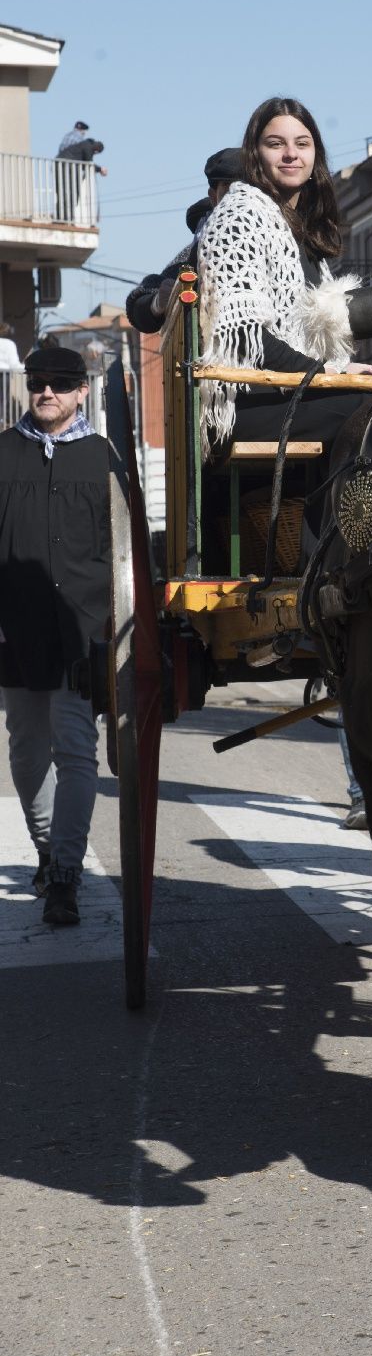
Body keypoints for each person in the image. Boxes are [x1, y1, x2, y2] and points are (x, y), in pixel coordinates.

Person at [0, 345, 110, 925]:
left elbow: (123, 554)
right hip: (12, 632)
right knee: (25, 752)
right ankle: (45, 847)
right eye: (39, 382)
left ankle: (65, 872)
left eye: (61, 384)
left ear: (82, 391)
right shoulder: (2, 452)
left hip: (81, 631)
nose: (48, 392)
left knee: (75, 752)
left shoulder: (103, 457)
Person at [197, 97, 372, 458]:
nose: (291, 154)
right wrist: (323, 374)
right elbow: (243, 333)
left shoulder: (301, 229)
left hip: (289, 391)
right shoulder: (239, 215)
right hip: (247, 401)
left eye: (302, 144)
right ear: (255, 155)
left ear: (315, 155)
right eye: (276, 144)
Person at [125, 147, 242, 335]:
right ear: (214, 198)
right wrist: (159, 302)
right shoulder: (196, 253)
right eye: (231, 192)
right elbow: (142, 301)